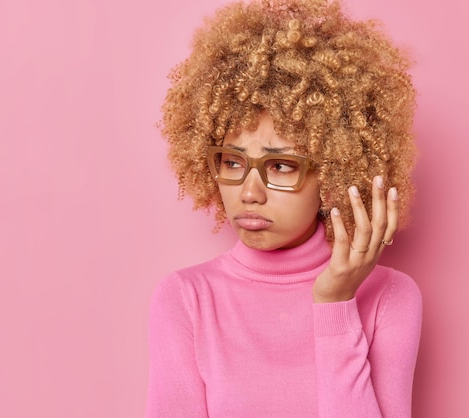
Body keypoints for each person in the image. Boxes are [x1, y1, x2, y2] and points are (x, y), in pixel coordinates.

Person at [146, 0, 422, 417]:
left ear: (334, 172)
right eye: (232, 162)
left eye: (280, 165)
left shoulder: (391, 298)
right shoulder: (186, 299)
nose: (249, 192)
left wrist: (335, 303)